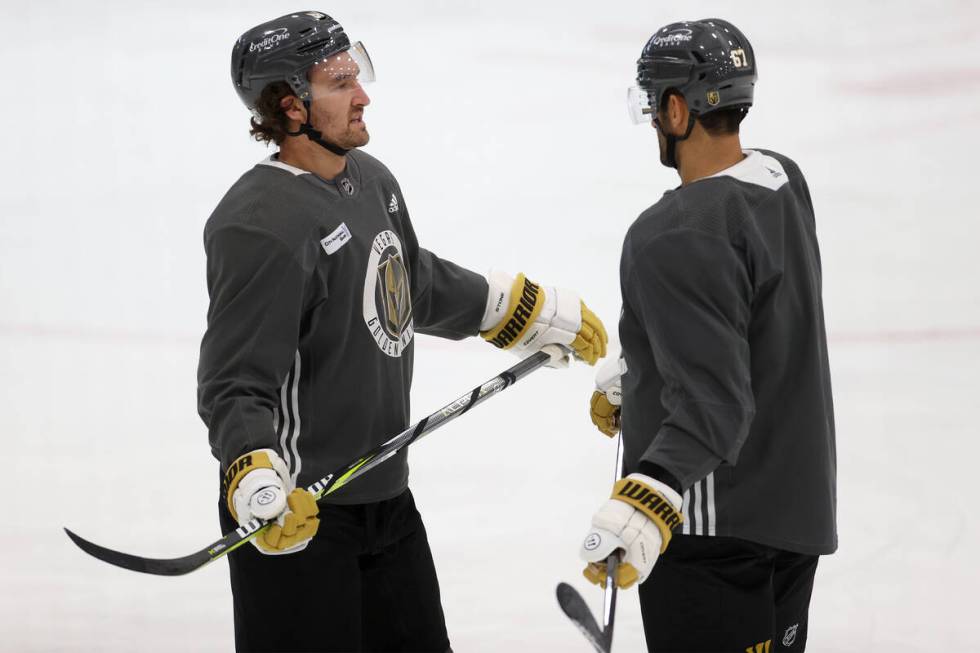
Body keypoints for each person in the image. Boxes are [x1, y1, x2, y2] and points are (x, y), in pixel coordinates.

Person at [197, 11, 607, 652]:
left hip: (386, 500)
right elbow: (235, 382)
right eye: (339, 83)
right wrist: (253, 475)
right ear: (291, 106)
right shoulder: (260, 224)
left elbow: (408, 284)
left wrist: (522, 311)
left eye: (356, 74)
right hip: (297, 514)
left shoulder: (370, 181)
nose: (362, 95)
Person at [579, 18, 837, 653]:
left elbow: (714, 405)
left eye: (651, 102)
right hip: (793, 510)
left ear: (676, 108)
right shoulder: (781, 178)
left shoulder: (676, 230)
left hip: (712, 532)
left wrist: (648, 494)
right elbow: (753, 324)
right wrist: (644, 375)